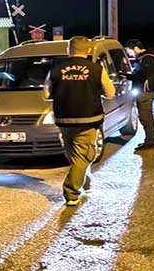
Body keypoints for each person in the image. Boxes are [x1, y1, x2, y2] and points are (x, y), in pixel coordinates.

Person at [44, 36, 116, 206]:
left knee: (74, 154)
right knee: (85, 155)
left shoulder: (56, 69)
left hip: (64, 119)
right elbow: (110, 92)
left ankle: (84, 181)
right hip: (88, 119)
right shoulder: (96, 69)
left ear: (69, 49)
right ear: (89, 50)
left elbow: (46, 94)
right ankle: (71, 193)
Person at [124, 39, 154, 151]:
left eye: (129, 51)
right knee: (146, 117)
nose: (130, 54)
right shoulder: (146, 58)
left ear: (135, 48)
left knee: (146, 117)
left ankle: (150, 142)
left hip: (146, 92)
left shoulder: (146, 58)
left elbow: (142, 75)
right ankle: (150, 139)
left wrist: (128, 75)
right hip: (146, 91)